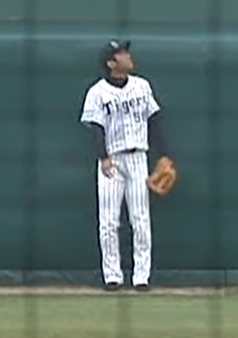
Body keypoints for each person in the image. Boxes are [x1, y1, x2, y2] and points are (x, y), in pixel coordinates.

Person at [78, 40, 172, 292]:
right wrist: (103, 157)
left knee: (140, 218)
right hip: (112, 160)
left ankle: (142, 276)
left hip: (138, 157)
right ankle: (112, 276)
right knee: (108, 221)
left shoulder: (142, 86)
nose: (128, 56)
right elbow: (97, 128)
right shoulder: (97, 92)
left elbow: (154, 121)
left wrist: (163, 155)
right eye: (122, 54)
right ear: (111, 63)